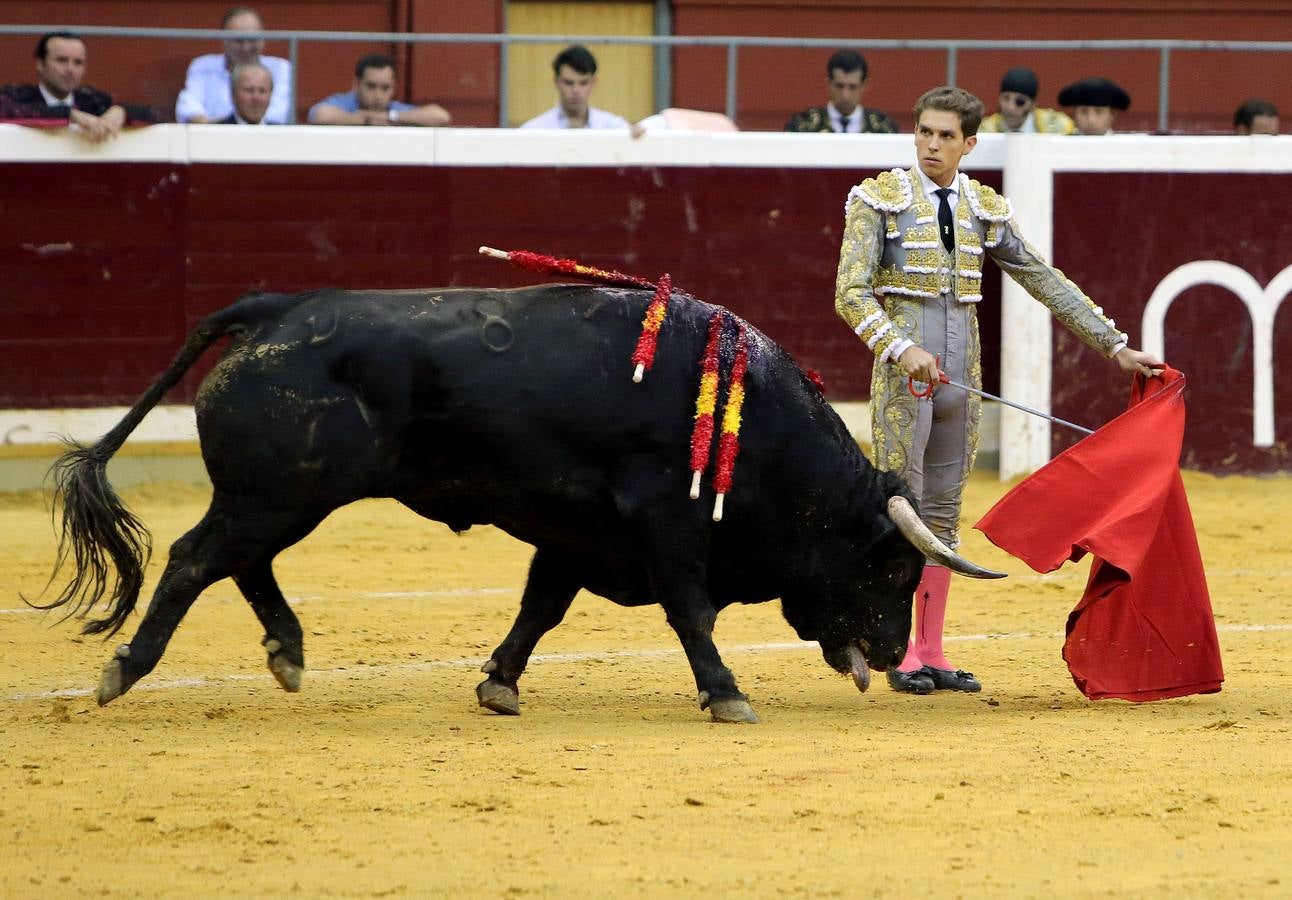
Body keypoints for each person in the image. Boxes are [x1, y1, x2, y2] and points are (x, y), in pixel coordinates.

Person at [834, 86, 1161, 695]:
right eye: (924, 133)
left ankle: (929, 649)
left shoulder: (983, 207)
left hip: (965, 381)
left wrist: (1115, 346)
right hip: (907, 378)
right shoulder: (877, 200)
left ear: (969, 143)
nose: (932, 145)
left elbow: (1042, 277)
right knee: (901, 511)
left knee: (942, 515)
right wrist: (902, 348)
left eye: (945, 136)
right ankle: (893, 645)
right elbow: (849, 293)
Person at [0, 32, 159, 142]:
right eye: (61, 60)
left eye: (78, 62)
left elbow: (156, 115)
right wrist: (71, 115)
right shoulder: (17, 96)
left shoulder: (93, 100)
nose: (70, 69)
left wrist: (122, 111)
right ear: (40, 65)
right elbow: (8, 111)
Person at [176, 6, 292, 124]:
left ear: (263, 39)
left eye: (252, 40)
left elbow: (278, 115)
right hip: (211, 138)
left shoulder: (281, 68)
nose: (245, 47)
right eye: (238, 41)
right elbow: (188, 109)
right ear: (223, 40)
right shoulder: (202, 66)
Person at [309, 53, 450, 126]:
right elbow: (319, 115)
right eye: (371, 86)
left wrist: (389, 117)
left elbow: (441, 116)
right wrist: (364, 119)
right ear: (356, 85)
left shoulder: (393, 109)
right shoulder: (344, 103)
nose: (378, 95)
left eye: (385, 88)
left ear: (394, 88)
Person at [784, 50, 897, 134]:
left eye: (852, 87)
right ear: (829, 83)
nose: (845, 95)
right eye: (839, 86)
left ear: (864, 86)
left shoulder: (884, 128)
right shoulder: (802, 126)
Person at [520, 45, 630, 130]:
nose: (576, 90)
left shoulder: (613, 128)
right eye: (568, 83)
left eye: (583, 83)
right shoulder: (534, 130)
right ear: (556, 82)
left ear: (594, 82)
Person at [978, 67, 1076, 134]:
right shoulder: (985, 130)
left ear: (1033, 105)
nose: (1010, 107)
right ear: (999, 99)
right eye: (1006, 98)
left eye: (1020, 102)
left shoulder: (1054, 126)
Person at [1057, 77, 1131, 136]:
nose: (1091, 121)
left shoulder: (1126, 149)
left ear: (1112, 114)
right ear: (1074, 113)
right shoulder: (1060, 148)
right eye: (1084, 112)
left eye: (1099, 112)